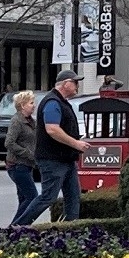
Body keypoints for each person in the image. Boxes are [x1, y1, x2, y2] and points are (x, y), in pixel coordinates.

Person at [30, 71, 85, 223]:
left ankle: (70, 231)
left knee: (73, 197)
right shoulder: (52, 102)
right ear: (65, 83)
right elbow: (52, 129)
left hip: (66, 159)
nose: (77, 86)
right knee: (48, 197)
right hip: (53, 159)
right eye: (75, 82)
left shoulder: (60, 102)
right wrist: (76, 143)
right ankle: (16, 228)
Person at [3, 90, 42, 224]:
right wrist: (27, 153)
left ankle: (17, 230)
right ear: (22, 105)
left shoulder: (32, 122)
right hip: (17, 165)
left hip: (27, 165)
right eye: (31, 103)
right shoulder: (17, 121)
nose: (34, 105)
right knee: (32, 197)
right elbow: (9, 143)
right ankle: (15, 227)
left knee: (24, 199)